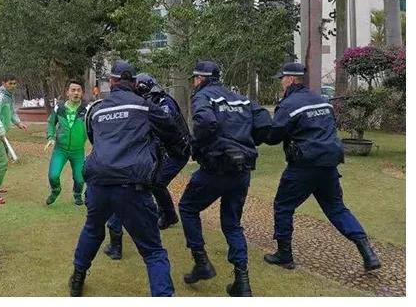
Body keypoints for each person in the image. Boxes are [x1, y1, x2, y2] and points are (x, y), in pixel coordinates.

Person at [68, 61, 186, 297]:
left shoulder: (96, 109)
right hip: (131, 186)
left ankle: (78, 278)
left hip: (99, 184)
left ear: (111, 83)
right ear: (134, 83)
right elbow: (172, 133)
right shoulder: (145, 107)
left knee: (92, 229)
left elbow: (95, 139)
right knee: (153, 251)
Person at [263, 62, 381, 273]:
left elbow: (273, 136)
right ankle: (368, 252)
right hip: (329, 164)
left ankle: (285, 255)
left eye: (282, 78)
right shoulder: (323, 101)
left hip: (304, 166)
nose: (281, 82)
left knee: (283, 206)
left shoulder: (289, 105)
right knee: (337, 208)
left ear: (290, 79)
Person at [178, 61, 272, 296]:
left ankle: (201, 262)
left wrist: (201, 147)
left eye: (194, 79)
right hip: (242, 170)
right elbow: (265, 125)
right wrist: (245, 145)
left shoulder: (203, 97)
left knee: (188, 207)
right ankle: (242, 281)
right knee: (232, 224)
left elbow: (206, 122)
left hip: (215, 168)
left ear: (200, 79)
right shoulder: (240, 98)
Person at [103, 73, 192, 261]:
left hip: (176, 152)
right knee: (147, 184)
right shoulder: (147, 103)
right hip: (160, 153)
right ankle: (163, 215)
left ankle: (167, 215)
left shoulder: (164, 103)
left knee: (154, 183)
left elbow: (165, 128)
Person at [0, 75, 28, 205]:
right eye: (10, 83)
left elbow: (12, 112)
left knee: (2, 162)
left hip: (0, 134)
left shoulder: (9, 96)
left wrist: (19, 123)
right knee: (2, 163)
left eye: (15, 83)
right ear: (3, 83)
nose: (13, 86)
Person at [45, 79, 88, 206]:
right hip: (60, 149)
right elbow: (51, 123)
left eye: (78, 90)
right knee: (53, 175)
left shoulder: (87, 109)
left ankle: (77, 194)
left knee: (80, 179)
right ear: (67, 93)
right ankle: (55, 190)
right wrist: (50, 137)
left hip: (78, 150)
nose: (76, 93)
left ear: (82, 93)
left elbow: (94, 126)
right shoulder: (59, 108)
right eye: (73, 90)